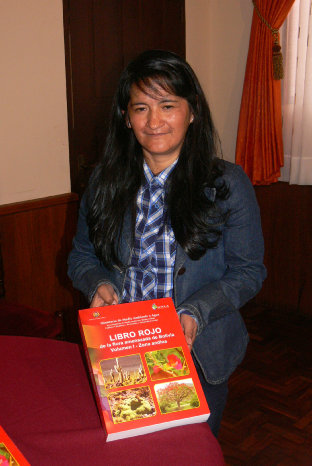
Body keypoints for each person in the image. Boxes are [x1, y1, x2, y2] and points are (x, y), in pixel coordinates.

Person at [68, 49, 266, 437]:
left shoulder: (227, 185)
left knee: (191, 454)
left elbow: (248, 271)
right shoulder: (103, 182)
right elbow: (81, 255)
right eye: (140, 108)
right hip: (122, 352)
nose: (154, 121)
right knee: (134, 451)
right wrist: (98, 284)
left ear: (192, 112)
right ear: (126, 118)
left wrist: (197, 311)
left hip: (198, 354)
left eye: (167, 105)